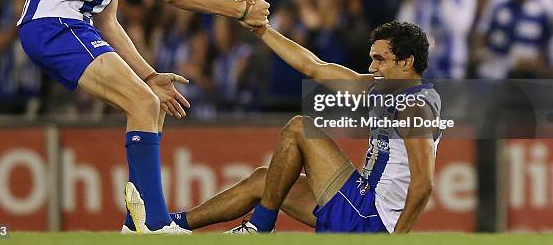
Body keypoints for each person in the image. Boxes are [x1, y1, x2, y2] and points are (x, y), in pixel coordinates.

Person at [16, 0, 270, 234]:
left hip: (49, 24)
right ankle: (152, 224)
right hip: (56, 23)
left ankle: (138, 222)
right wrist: (236, 8)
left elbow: (108, 22)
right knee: (141, 103)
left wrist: (150, 75)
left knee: (151, 103)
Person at [170, 20, 440, 233]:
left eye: (380, 59)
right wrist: (263, 30)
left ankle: (260, 227)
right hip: (362, 205)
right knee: (265, 180)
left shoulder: (414, 106)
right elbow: (314, 67)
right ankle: (174, 225)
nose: (371, 67)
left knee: (299, 127)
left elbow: (424, 184)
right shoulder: (385, 91)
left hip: (371, 218)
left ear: (406, 63)